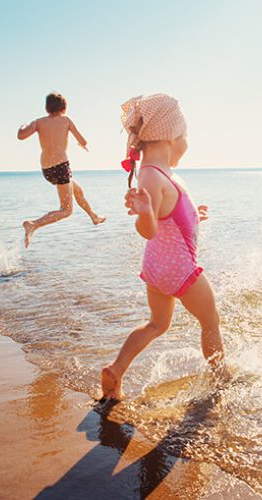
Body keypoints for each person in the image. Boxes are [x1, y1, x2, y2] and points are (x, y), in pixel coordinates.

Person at [101, 94, 226, 400]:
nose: (187, 143)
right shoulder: (151, 176)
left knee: (157, 324)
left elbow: (171, 217)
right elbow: (149, 229)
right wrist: (144, 211)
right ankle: (222, 380)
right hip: (179, 269)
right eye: (186, 136)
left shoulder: (159, 173)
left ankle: (116, 370)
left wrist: (196, 216)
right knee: (210, 321)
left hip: (156, 268)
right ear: (171, 137)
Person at [17, 92, 106, 248]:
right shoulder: (66, 120)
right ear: (64, 107)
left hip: (47, 170)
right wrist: (82, 145)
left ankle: (94, 216)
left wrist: (23, 125)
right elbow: (83, 141)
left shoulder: (38, 122)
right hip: (61, 166)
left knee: (77, 189)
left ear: (47, 107)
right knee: (66, 210)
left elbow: (21, 136)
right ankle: (33, 224)